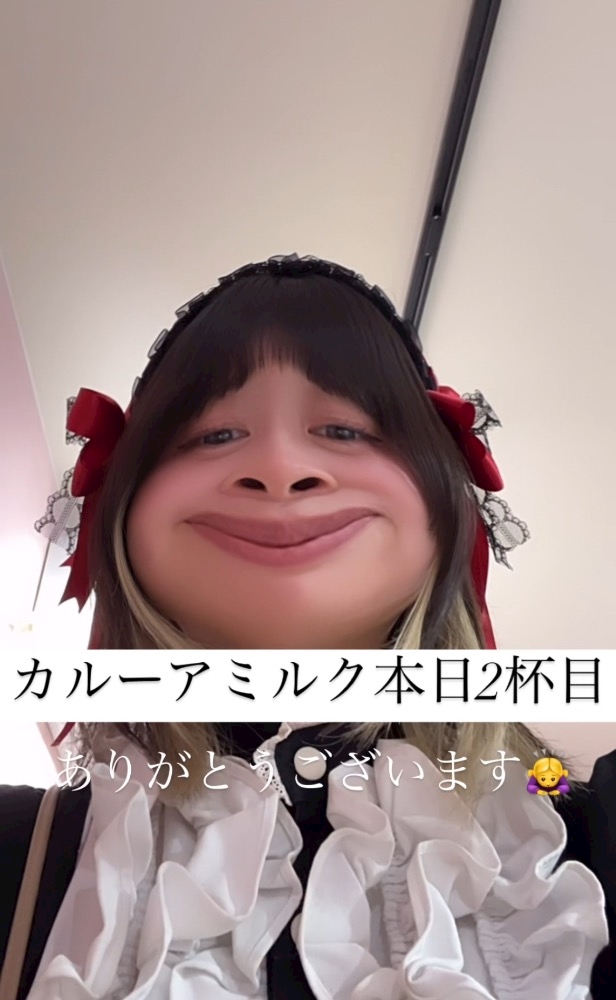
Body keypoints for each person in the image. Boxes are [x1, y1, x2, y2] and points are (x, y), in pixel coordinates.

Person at [1, 253, 609, 999]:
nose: (280, 466)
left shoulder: (578, 843)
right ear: (122, 513)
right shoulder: (21, 848)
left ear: (447, 505)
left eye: (346, 429)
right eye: (213, 434)